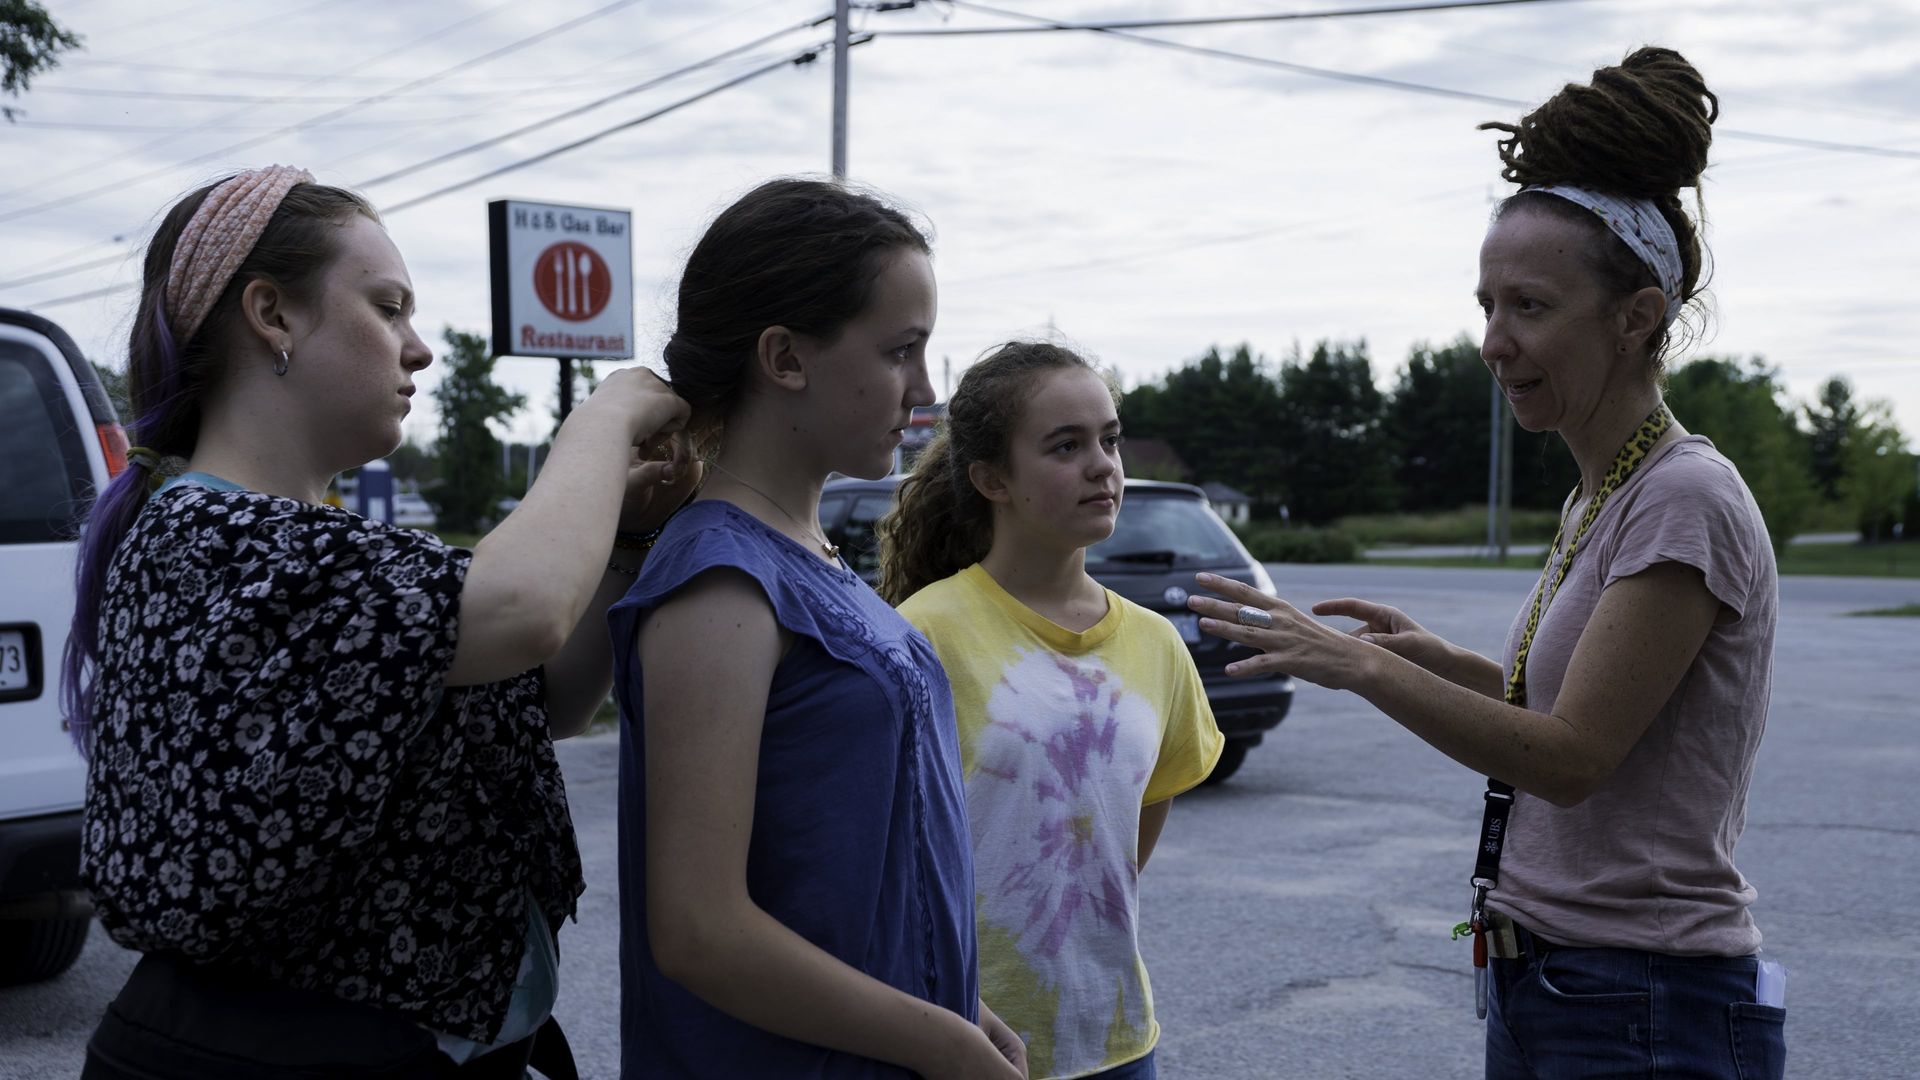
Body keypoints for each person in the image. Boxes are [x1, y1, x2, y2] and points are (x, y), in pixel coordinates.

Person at [1188, 48, 1786, 1079]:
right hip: (1559, 983)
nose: (1493, 342)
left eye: (1530, 306)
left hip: (1642, 1001)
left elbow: (1569, 758)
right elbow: (1568, 708)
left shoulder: (1683, 497)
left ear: (1636, 315)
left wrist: (1366, 671)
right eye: (1486, 305)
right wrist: (1426, 659)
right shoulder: (1605, 491)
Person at [66, 165, 695, 1079]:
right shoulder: (209, 539)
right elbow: (522, 612)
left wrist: (627, 536)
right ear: (272, 315)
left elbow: (545, 693)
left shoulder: (317, 547)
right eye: (388, 307)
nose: (419, 347)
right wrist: (603, 419)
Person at [607, 178, 1025, 1079]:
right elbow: (699, 931)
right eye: (901, 351)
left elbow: (849, 873)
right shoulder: (720, 582)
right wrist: (941, 1042)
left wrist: (960, 1003)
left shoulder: (807, 553)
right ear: (785, 358)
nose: (923, 389)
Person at [879, 341, 1225, 1080]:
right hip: (965, 1038)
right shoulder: (925, 631)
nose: (1103, 465)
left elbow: (1136, 818)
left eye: (1110, 438)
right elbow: (884, 850)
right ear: (991, 479)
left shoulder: (1156, 644)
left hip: (1120, 1039)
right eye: (1066, 446)